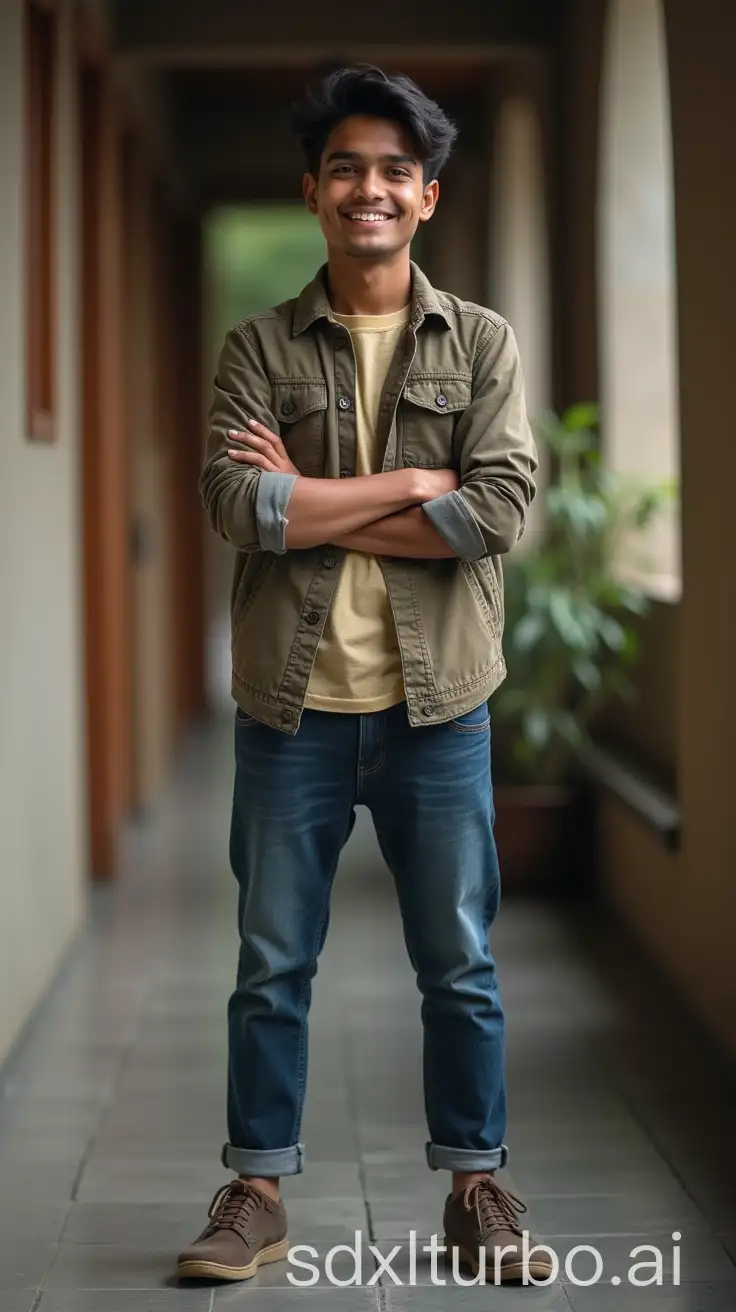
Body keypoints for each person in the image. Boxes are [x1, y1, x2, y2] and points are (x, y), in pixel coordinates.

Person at [176, 64, 551, 1287]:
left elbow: (497, 508)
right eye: (346, 167)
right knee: (271, 963)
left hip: (439, 706)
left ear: (426, 194)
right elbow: (240, 502)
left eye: (394, 169)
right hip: (292, 713)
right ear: (313, 191)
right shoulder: (256, 344)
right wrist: (402, 484)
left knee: (460, 961)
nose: (369, 188)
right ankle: (255, 1192)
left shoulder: (480, 341)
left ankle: (476, 1187)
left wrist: (315, 502)